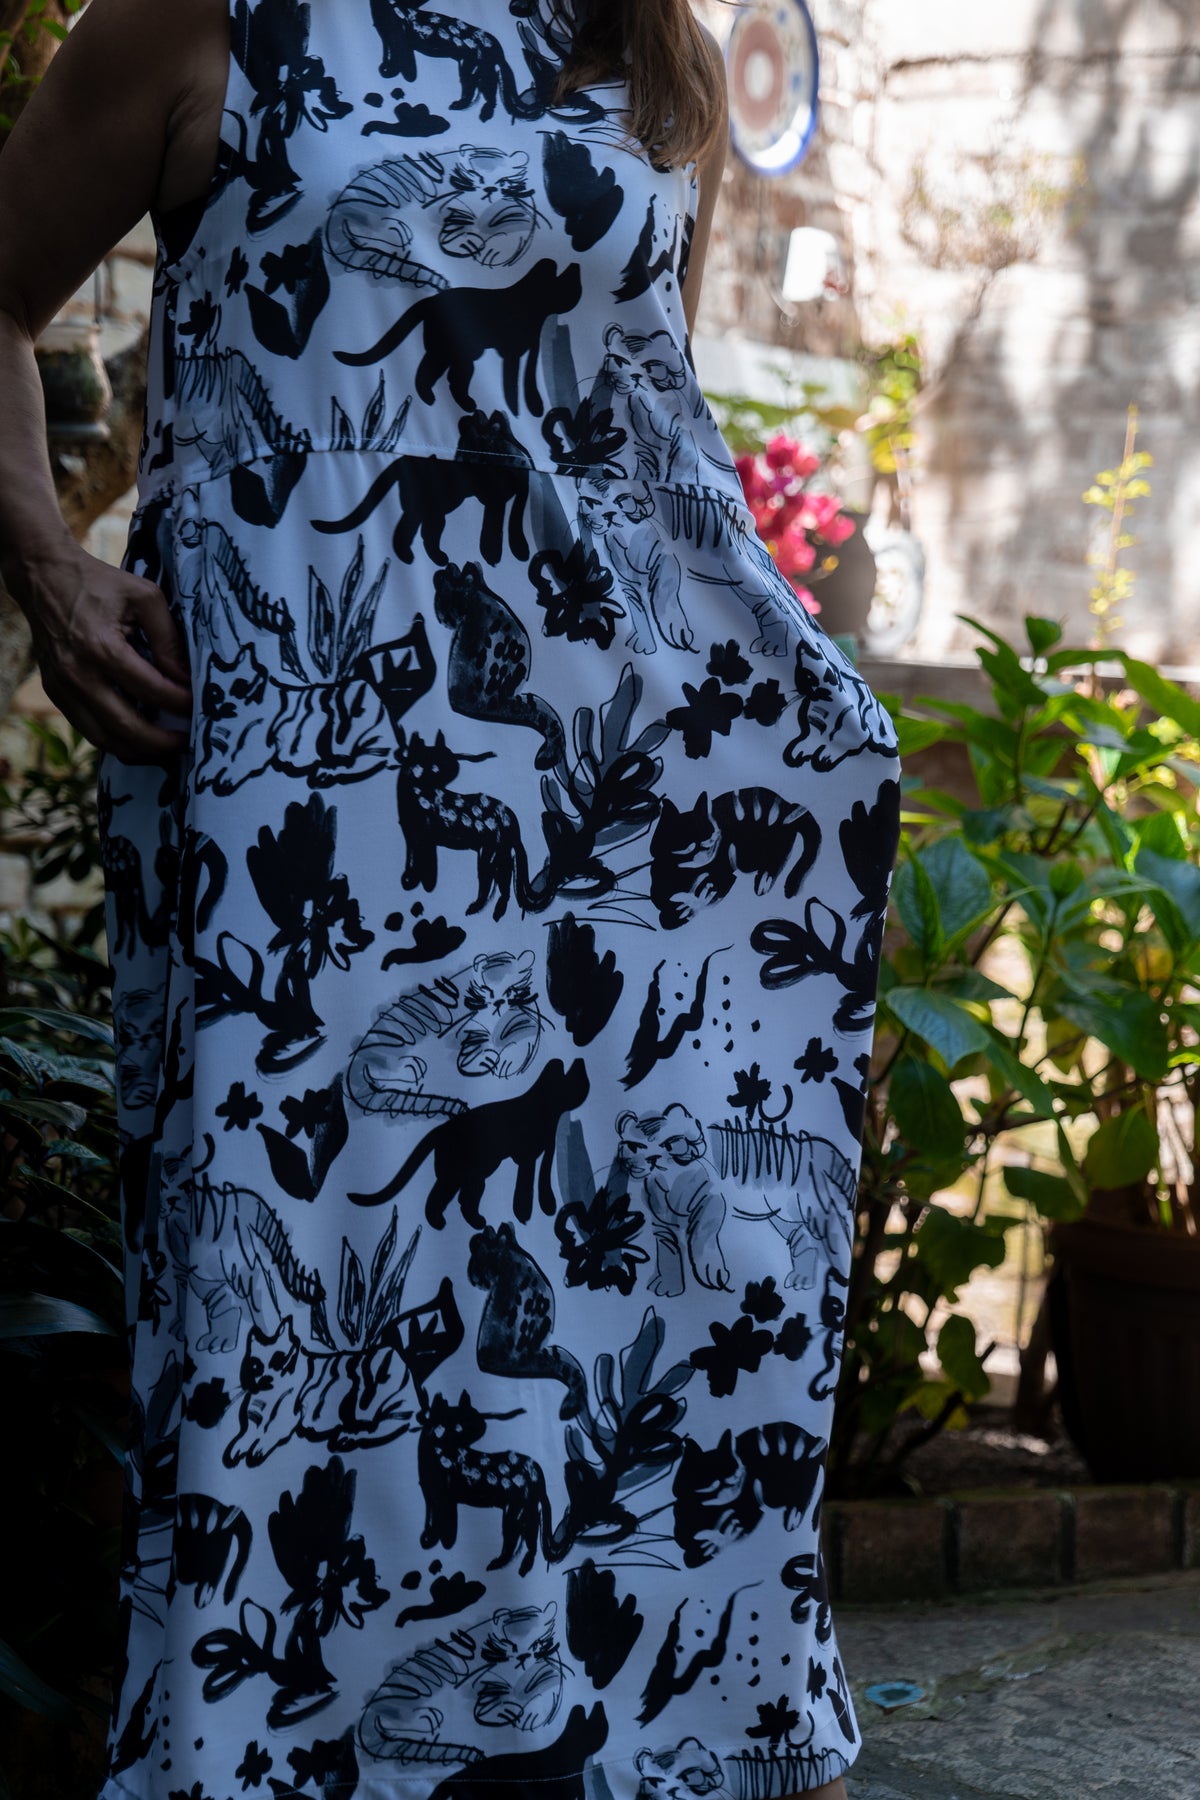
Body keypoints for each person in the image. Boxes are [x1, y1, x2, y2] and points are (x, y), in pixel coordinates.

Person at [0, 3, 902, 1798]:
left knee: (619, 1297)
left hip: (617, 796)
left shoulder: (645, 40)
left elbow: (638, 428)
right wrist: (47, 562)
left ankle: (617, 1746)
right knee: (303, 1294)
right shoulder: (207, 20)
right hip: (306, 785)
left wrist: (793, 724)